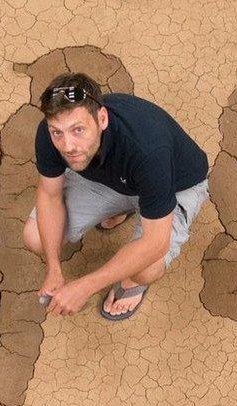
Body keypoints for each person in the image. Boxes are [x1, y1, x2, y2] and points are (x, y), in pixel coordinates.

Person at [23, 72, 210, 320]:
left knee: (148, 267)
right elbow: (49, 196)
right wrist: (54, 269)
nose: (68, 145)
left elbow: (156, 243)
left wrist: (86, 286)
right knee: (35, 238)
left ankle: (133, 283)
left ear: (101, 118)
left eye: (78, 129)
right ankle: (123, 207)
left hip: (175, 185)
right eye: (58, 132)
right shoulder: (51, 134)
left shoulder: (148, 150)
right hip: (112, 180)